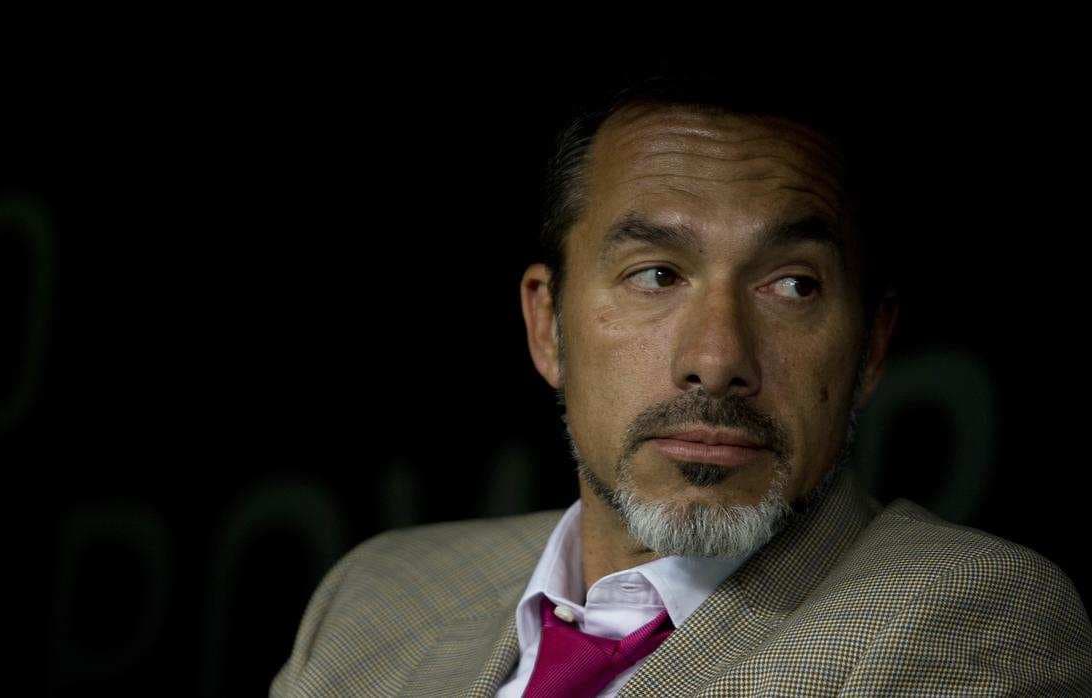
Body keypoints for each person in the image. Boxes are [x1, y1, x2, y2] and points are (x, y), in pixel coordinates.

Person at [271, 73, 1092, 696]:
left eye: (793, 285)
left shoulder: (967, 613)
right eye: (656, 274)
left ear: (871, 349)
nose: (717, 356)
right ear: (547, 326)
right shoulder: (379, 593)